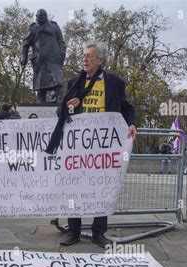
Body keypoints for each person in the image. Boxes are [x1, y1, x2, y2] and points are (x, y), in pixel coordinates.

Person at [45, 41, 137, 247]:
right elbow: (61, 113)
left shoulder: (114, 82)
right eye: (84, 55)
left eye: (89, 55)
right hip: (78, 147)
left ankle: (99, 233)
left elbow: (125, 107)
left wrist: (132, 123)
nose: (84, 59)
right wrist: (68, 107)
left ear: (100, 60)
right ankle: (73, 231)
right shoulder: (74, 83)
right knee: (74, 186)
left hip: (103, 147)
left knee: (102, 187)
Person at [21, 9, 66, 104]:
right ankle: (41, 102)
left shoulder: (54, 26)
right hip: (39, 60)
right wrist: (23, 57)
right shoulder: (33, 28)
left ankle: (60, 100)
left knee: (57, 79)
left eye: (43, 15)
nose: (41, 17)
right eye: (39, 16)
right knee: (41, 82)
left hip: (54, 59)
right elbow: (25, 43)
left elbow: (61, 41)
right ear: (36, 17)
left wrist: (62, 54)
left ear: (46, 16)